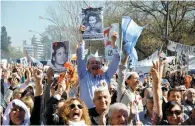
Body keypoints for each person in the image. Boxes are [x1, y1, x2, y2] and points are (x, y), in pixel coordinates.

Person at [77, 26, 120, 109]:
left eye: (97, 63)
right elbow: (80, 55)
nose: (95, 64)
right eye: (92, 63)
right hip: (87, 114)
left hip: (103, 114)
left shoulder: (106, 76)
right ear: (87, 66)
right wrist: (81, 36)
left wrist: (114, 43)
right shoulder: (83, 75)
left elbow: (116, 61)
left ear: (100, 66)